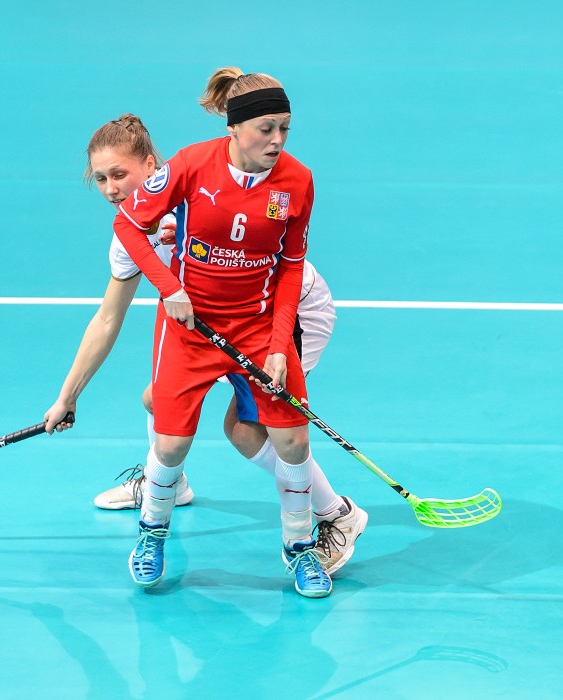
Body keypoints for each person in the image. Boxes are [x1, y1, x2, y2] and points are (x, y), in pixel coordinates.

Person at [42, 114, 366, 584]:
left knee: (251, 431)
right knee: (159, 402)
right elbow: (108, 318)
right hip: (206, 326)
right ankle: (168, 487)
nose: (112, 189)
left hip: (288, 312)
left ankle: (335, 515)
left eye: (120, 175)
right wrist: (67, 397)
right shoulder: (130, 235)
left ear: (150, 166)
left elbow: (281, 259)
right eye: (101, 179)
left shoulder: (191, 192)